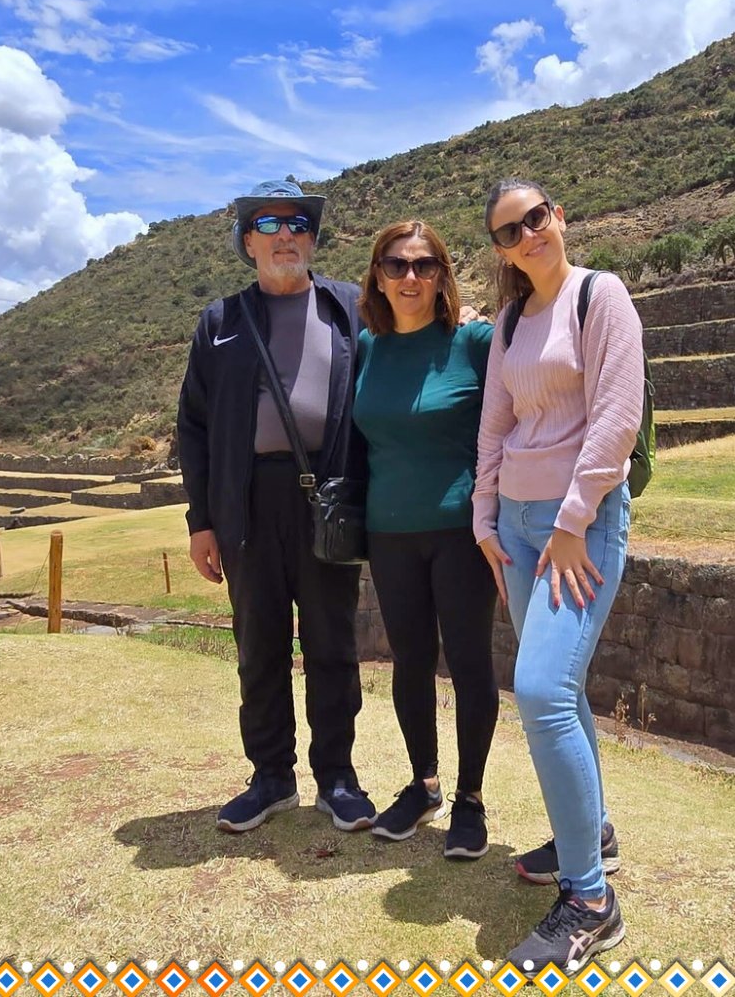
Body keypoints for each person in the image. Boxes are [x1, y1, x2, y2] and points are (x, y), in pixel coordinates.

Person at [473, 177, 644, 973]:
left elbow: (617, 414)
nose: (527, 236)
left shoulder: (599, 297)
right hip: (515, 524)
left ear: (559, 218)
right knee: (564, 695)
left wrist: (574, 520)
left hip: (581, 528)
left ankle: (590, 901)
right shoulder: (511, 319)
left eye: (535, 219)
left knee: (540, 691)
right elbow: (496, 425)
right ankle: (594, 835)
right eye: (510, 232)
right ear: (501, 249)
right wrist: (484, 514)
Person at [176, 179, 376, 834]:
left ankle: (338, 778)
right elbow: (195, 427)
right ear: (248, 240)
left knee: (333, 645)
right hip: (247, 506)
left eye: (298, 223)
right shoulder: (220, 323)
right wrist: (201, 520)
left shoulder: (351, 307)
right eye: (269, 222)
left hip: (329, 497)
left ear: (312, 239)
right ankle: (270, 777)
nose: (286, 233)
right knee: (258, 645)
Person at [353, 220, 498, 860]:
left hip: (461, 532)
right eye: (395, 265)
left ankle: (470, 799)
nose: (410, 277)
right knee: (409, 663)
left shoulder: (473, 340)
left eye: (424, 265)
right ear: (377, 278)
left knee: (469, 664)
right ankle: (424, 783)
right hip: (389, 533)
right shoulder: (365, 348)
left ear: (442, 275)